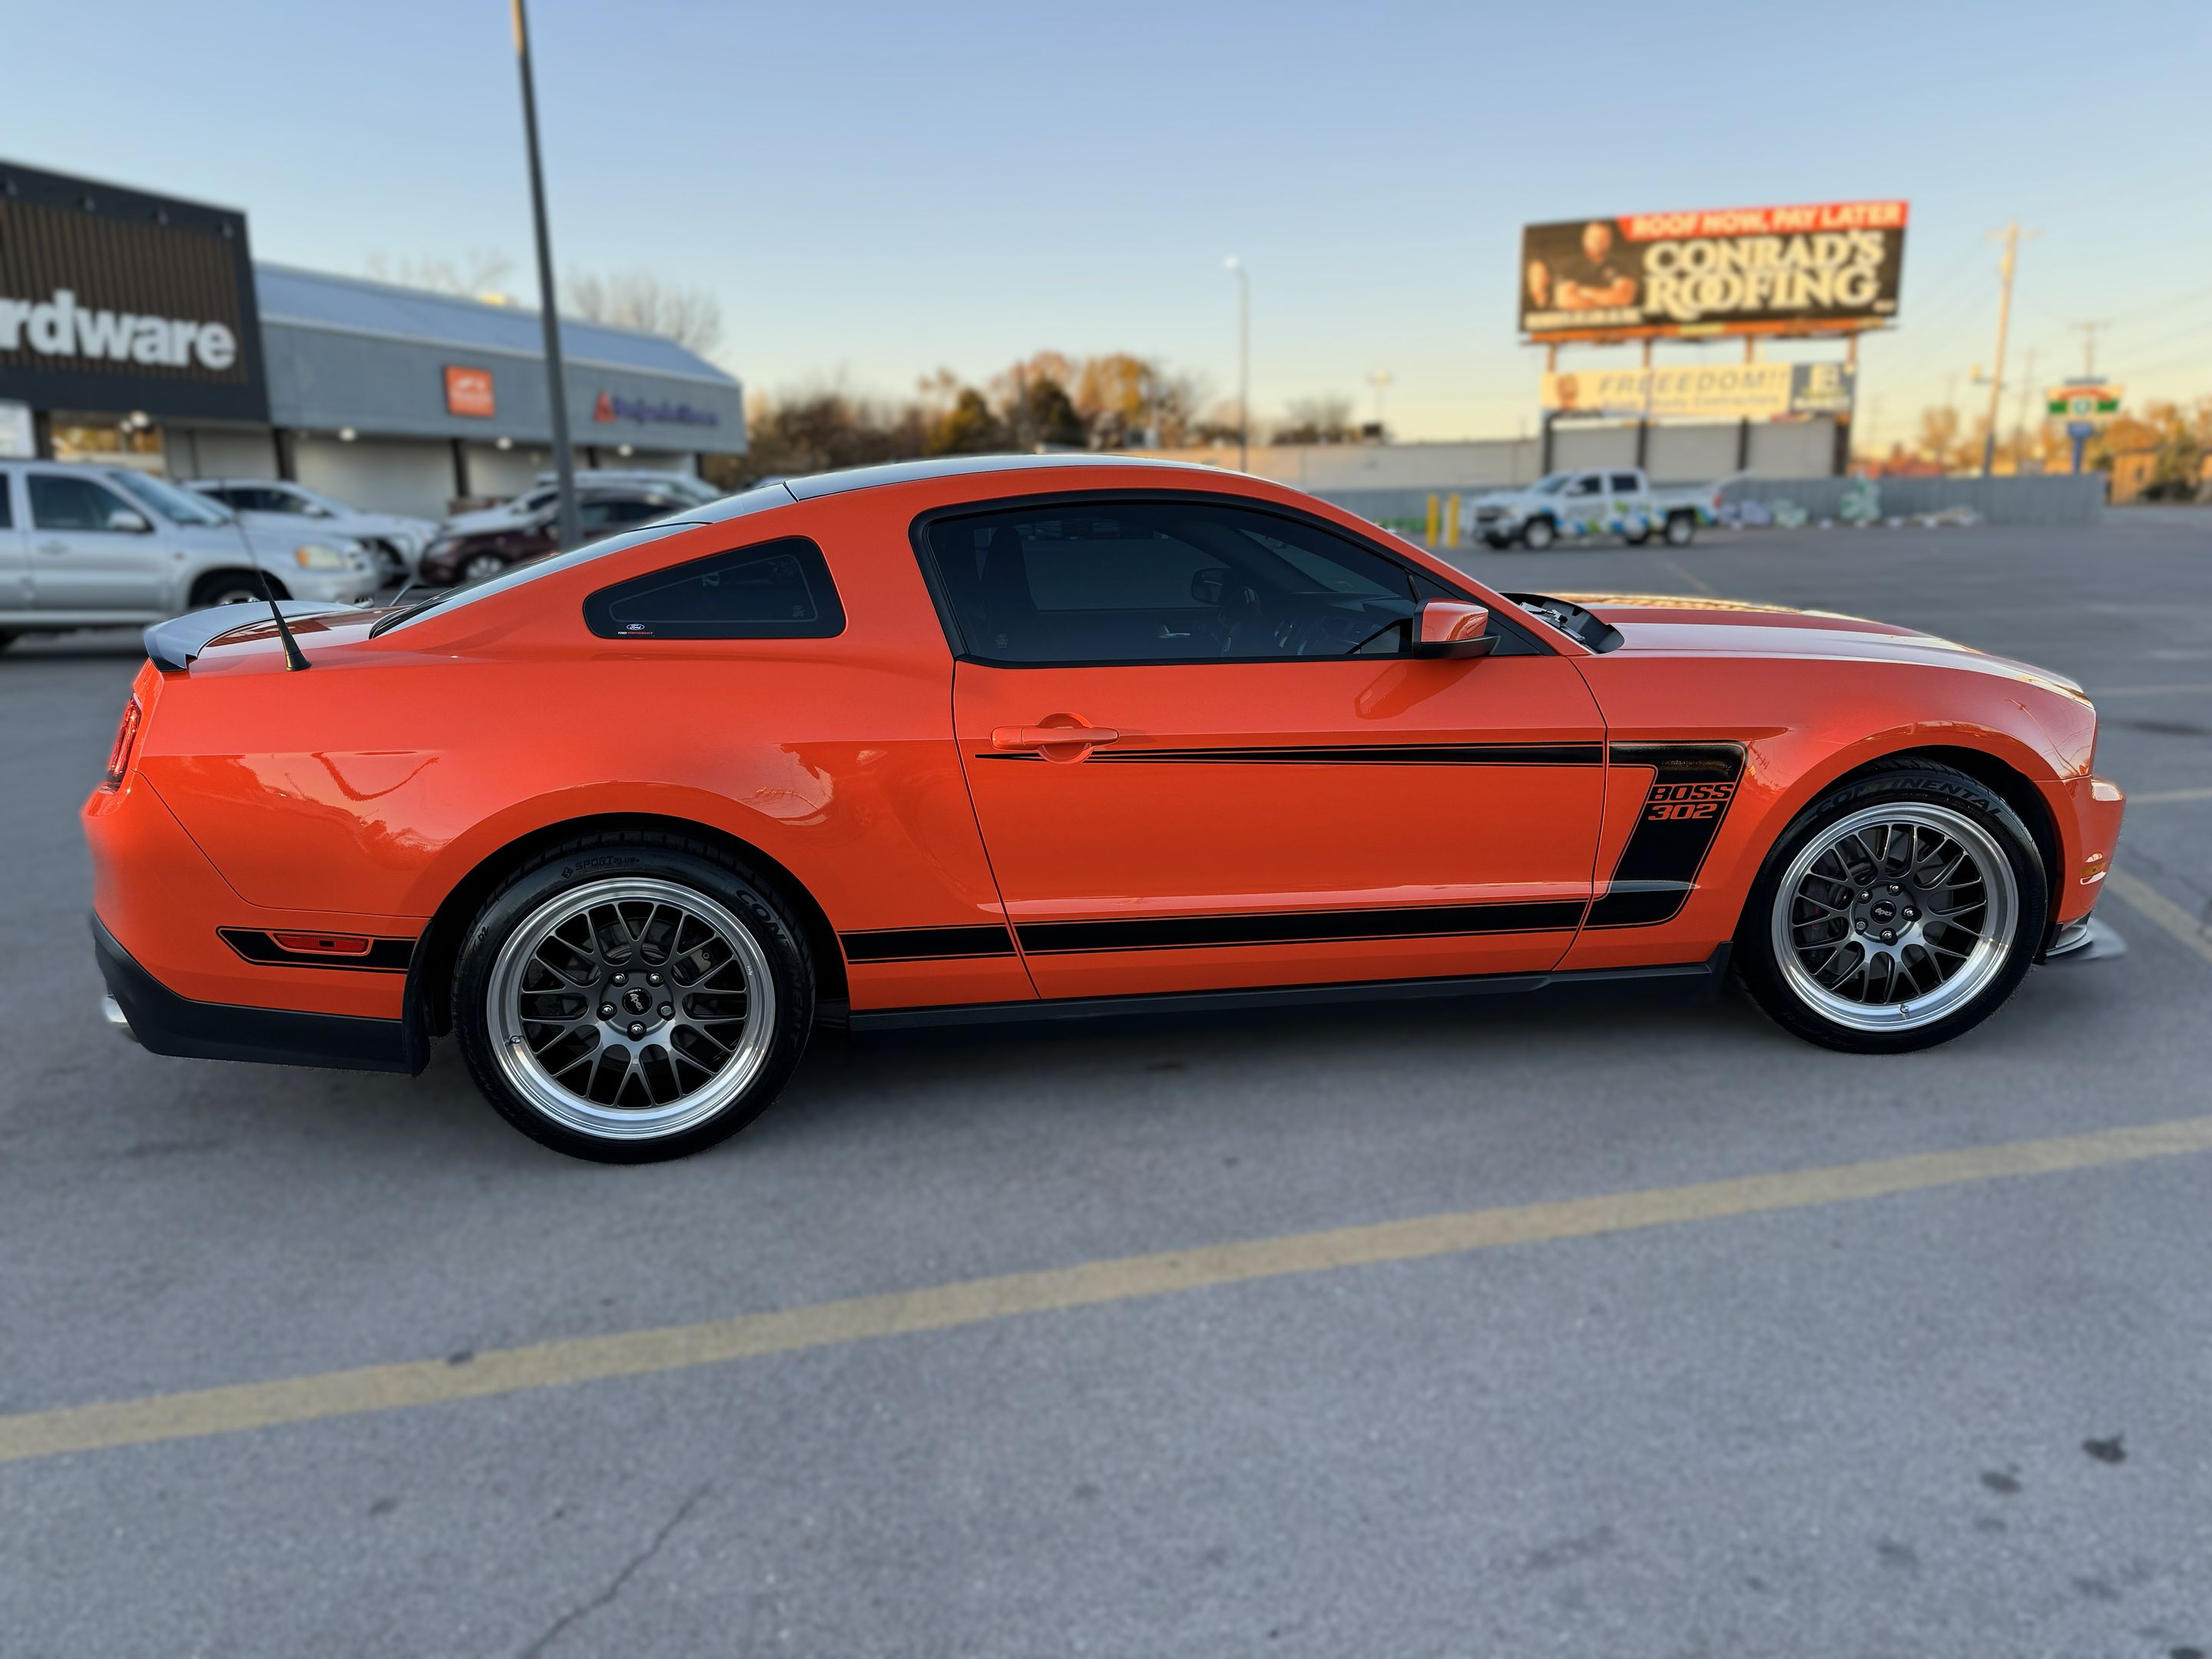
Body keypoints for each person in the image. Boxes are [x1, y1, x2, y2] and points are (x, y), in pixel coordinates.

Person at [1555, 220, 1638, 311]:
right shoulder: (1570, 267)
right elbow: (1564, 300)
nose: (1598, 241)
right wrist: (1606, 298)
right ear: (1585, 239)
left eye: (1603, 238)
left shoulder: (1622, 266)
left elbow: (1623, 298)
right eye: (1594, 237)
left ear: (1610, 240)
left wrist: (1587, 292)